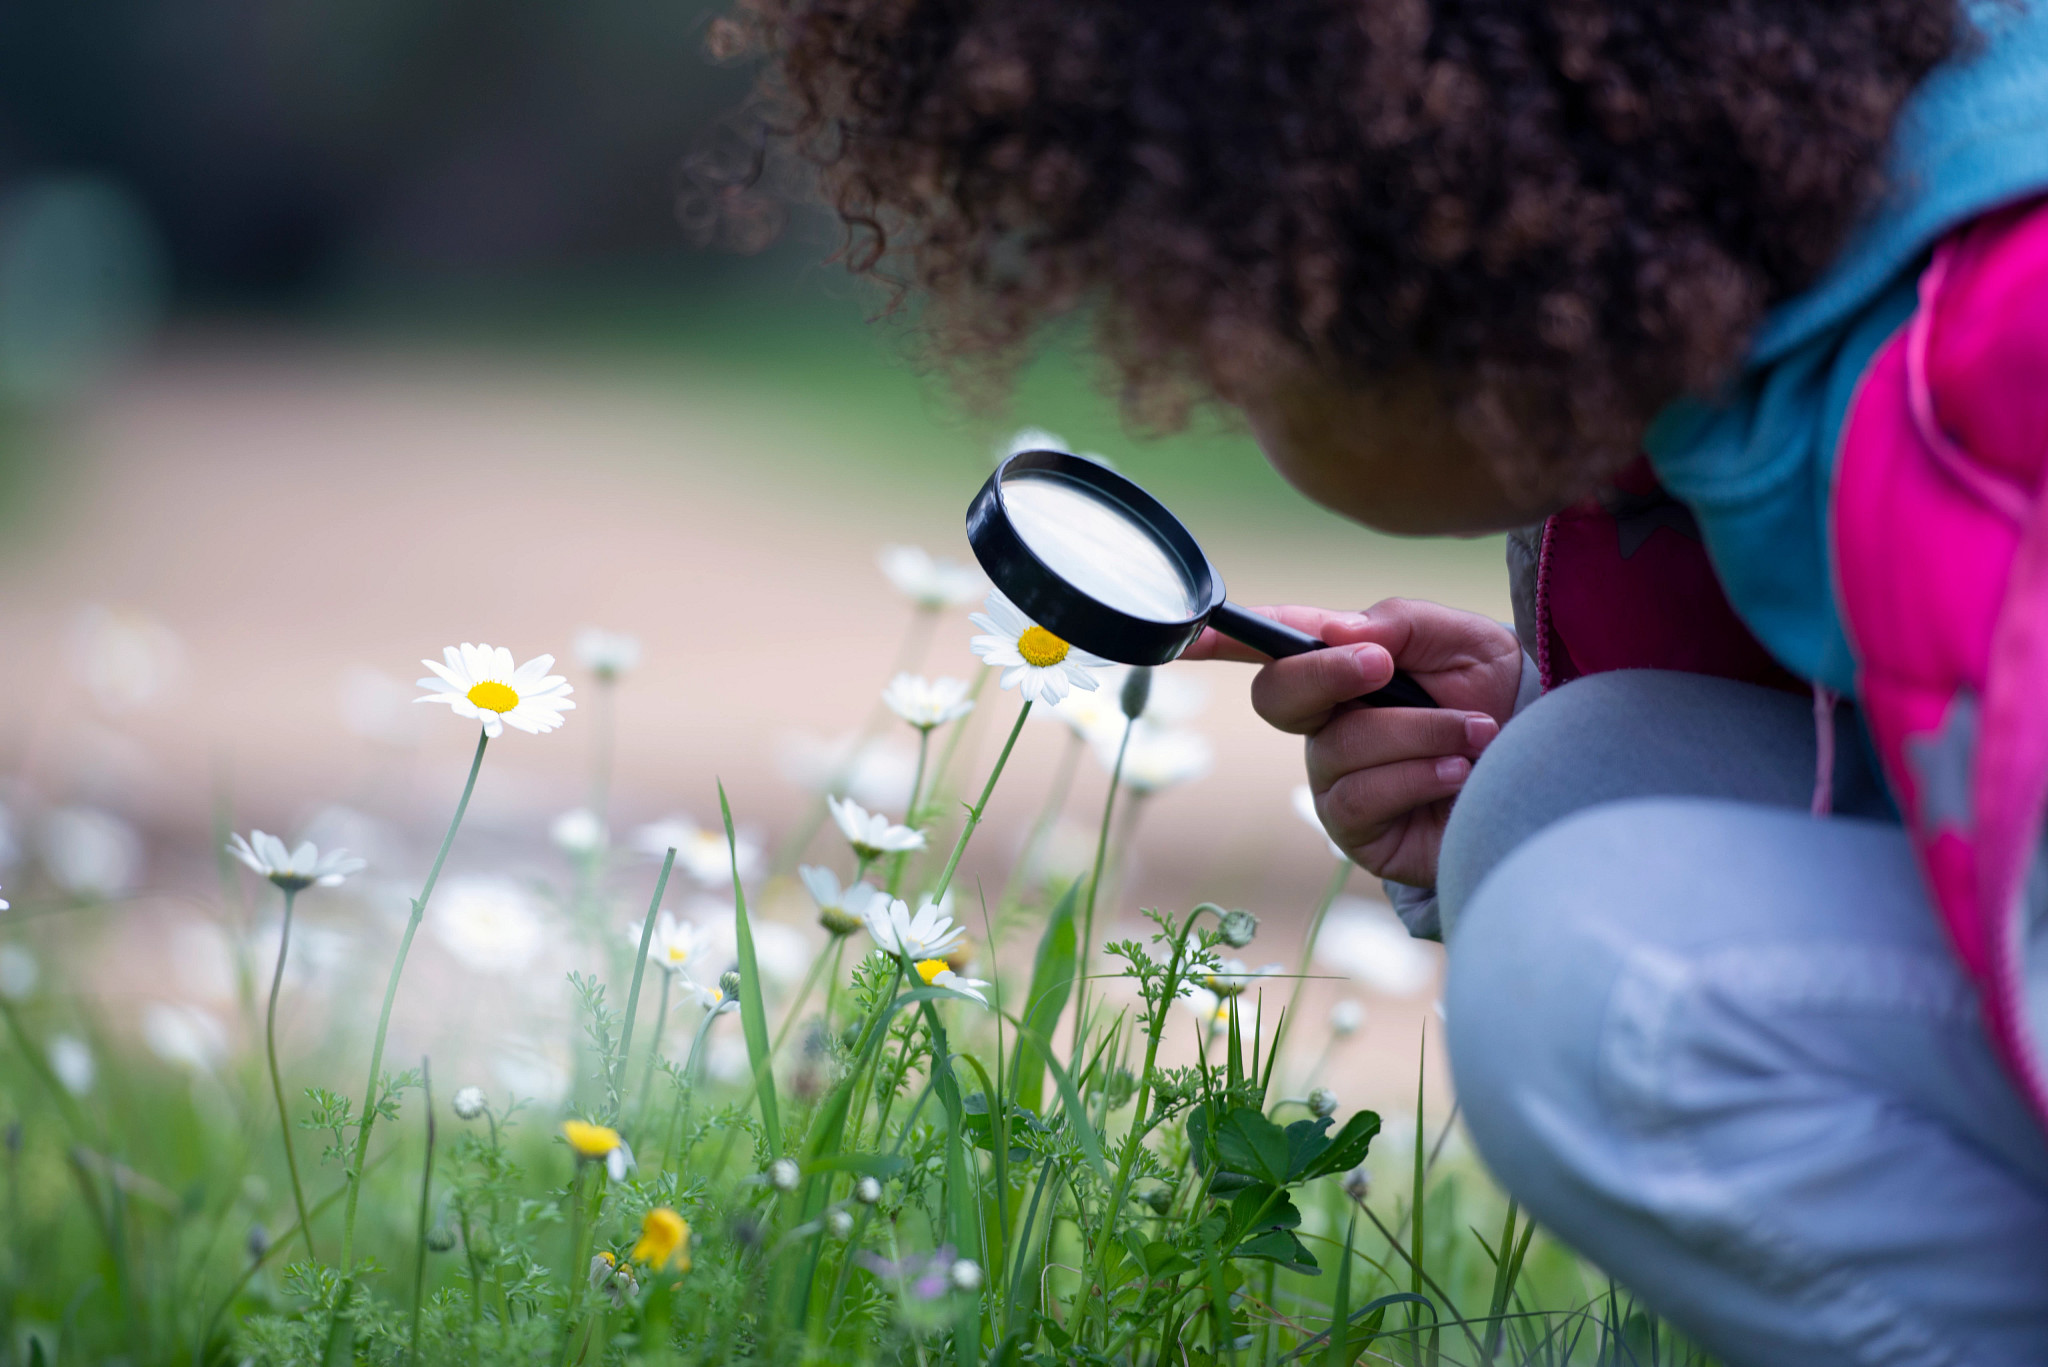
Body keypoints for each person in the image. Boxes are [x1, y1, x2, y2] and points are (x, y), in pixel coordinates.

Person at [733, 0, 2048, 1361]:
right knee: (1566, 785)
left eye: (1220, 315)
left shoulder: (1999, 394)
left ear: (1413, 229)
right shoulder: (1771, 300)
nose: (1205, 378)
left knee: (1599, 975)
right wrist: (1522, 722)